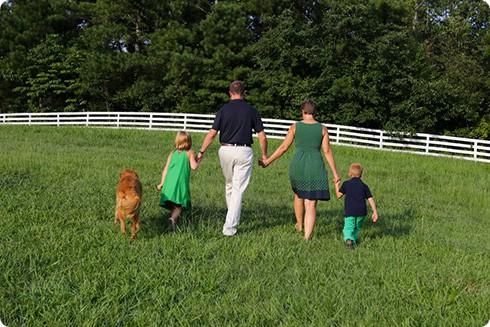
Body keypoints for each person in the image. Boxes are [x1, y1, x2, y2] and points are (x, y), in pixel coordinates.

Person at [261, 100, 340, 240]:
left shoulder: (294, 127)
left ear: (302, 111)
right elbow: (327, 151)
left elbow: (283, 147)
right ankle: (307, 237)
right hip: (315, 166)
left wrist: (268, 161)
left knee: (299, 194)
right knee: (311, 203)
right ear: (315, 112)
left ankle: (299, 224)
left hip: (298, 166)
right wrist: (335, 173)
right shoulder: (322, 129)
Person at [197, 80, 268, 236]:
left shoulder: (223, 110)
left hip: (225, 150)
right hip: (244, 151)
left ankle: (231, 216)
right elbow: (262, 137)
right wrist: (264, 156)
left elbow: (212, 133)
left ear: (230, 93)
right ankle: (229, 228)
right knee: (237, 189)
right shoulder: (252, 110)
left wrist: (201, 152)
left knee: (230, 185)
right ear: (244, 93)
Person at [157, 131, 200, 231]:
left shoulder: (172, 153)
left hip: (169, 183)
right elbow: (194, 167)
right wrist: (199, 159)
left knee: (174, 204)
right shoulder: (190, 153)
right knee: (179, 205)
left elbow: (166, 169)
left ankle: (173, 224)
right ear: (189, 141)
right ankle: (172, 219)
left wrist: (162, 183)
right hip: (180, 184)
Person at [334, 163, 378, 249]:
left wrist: (336, 185)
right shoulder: (364, 186)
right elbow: (370, 198)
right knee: (356, 227)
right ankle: (353, 241)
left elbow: (338, 195)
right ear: (361, 174)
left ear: (349, 174)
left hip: (350, 211)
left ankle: (349, 240)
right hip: (362, 212)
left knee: (348, 228)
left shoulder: (346, 184)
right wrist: (375, 211)